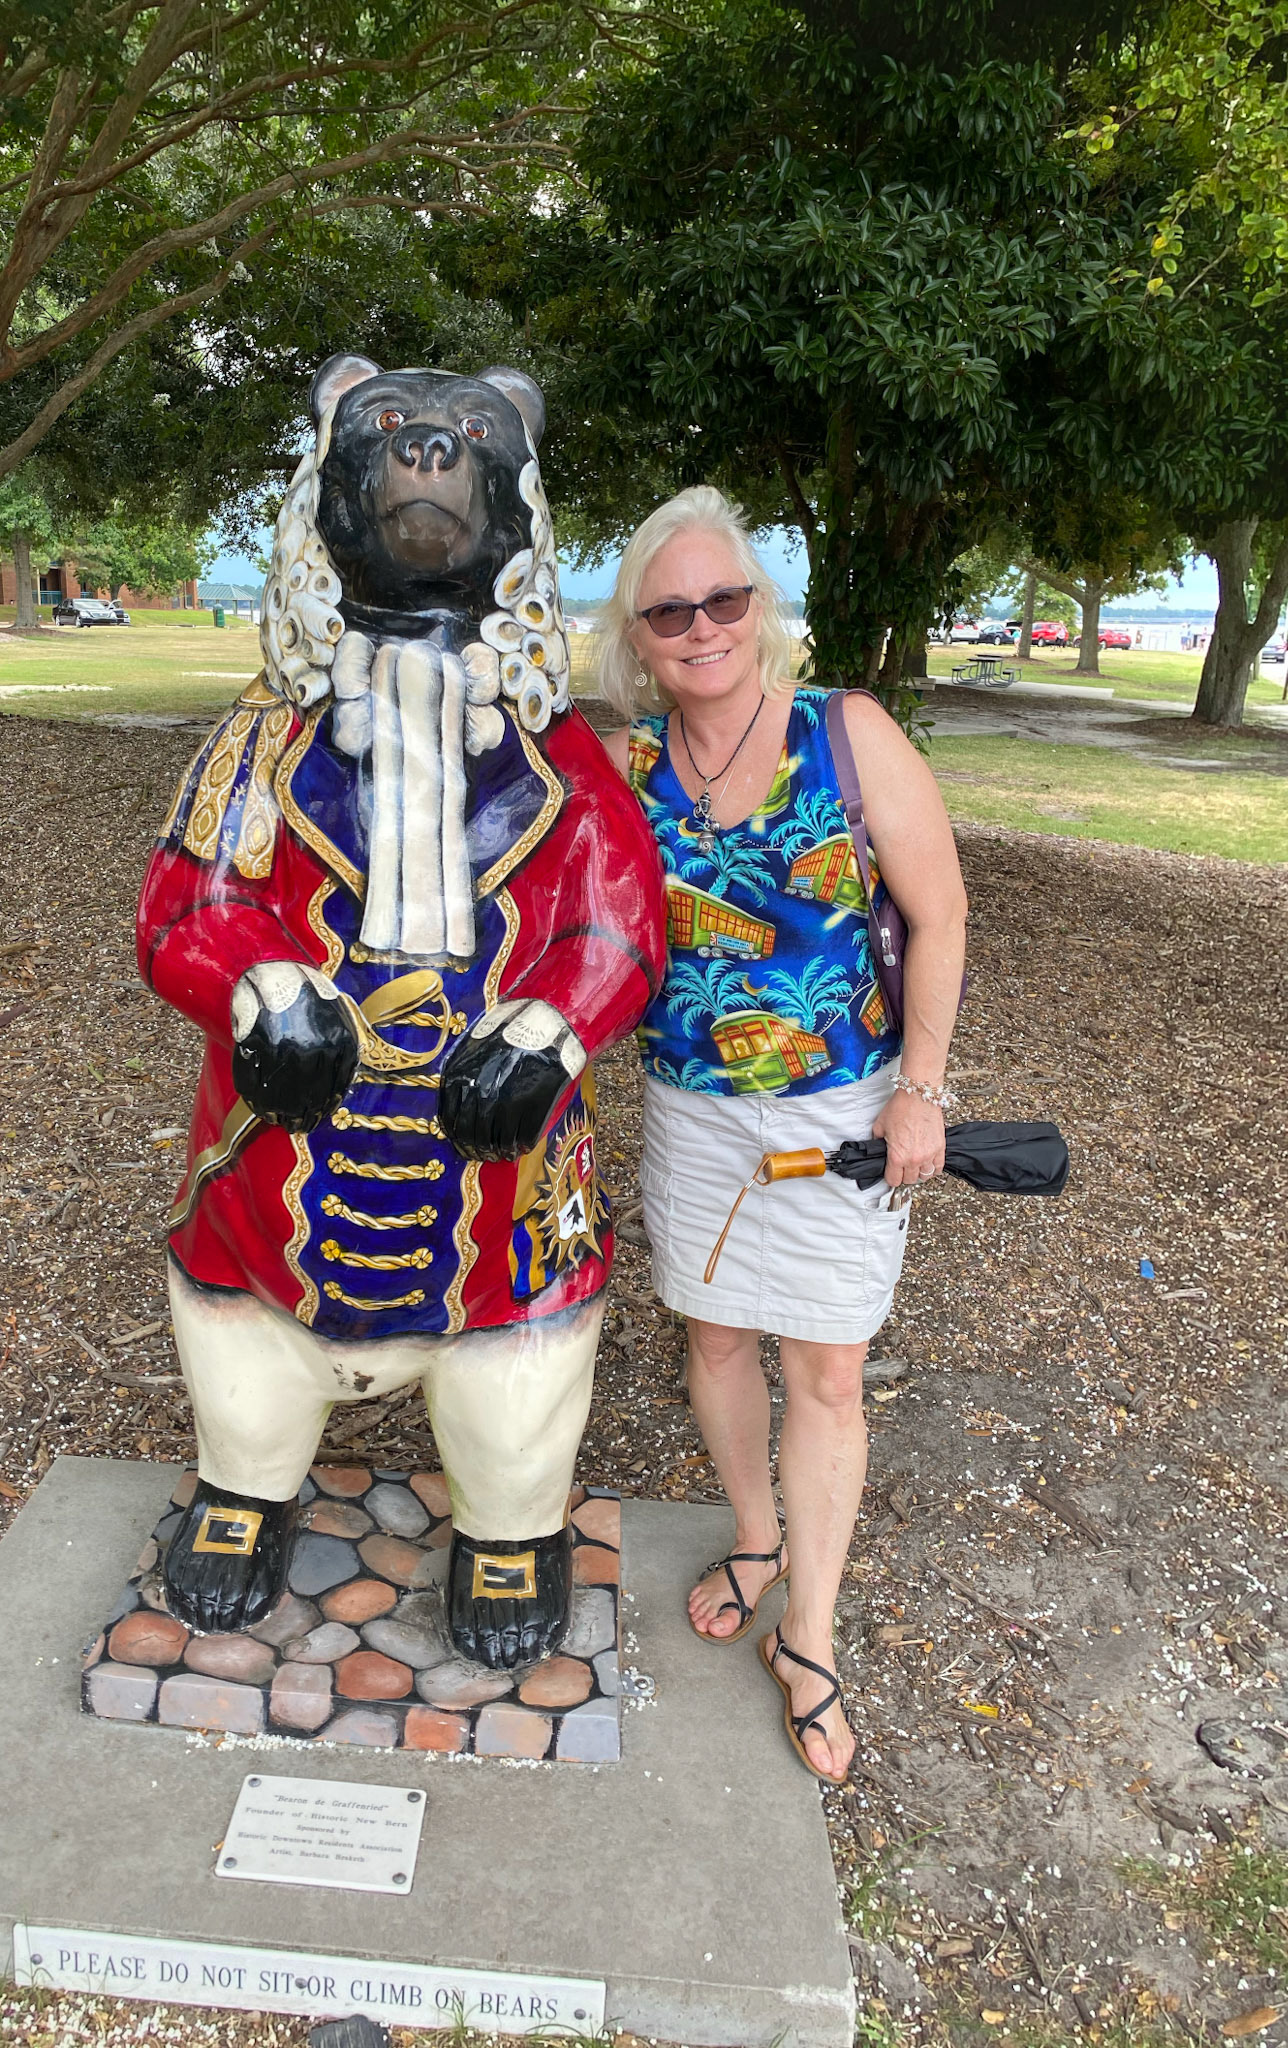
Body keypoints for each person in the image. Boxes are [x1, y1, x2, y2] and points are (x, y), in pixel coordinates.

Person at [599, 488, 968, 1785]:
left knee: (826, 1372)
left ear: (759, 609)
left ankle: (807, 1636)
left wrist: (922, 1089)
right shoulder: (627, 767)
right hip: (692, 1107)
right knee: (713, 1337)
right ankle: (755, 1535)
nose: (702, 626)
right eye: (670, 611)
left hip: (841, 1107)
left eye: (724, 599)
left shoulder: (846, 733)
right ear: (639, 636)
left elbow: (941, 913)